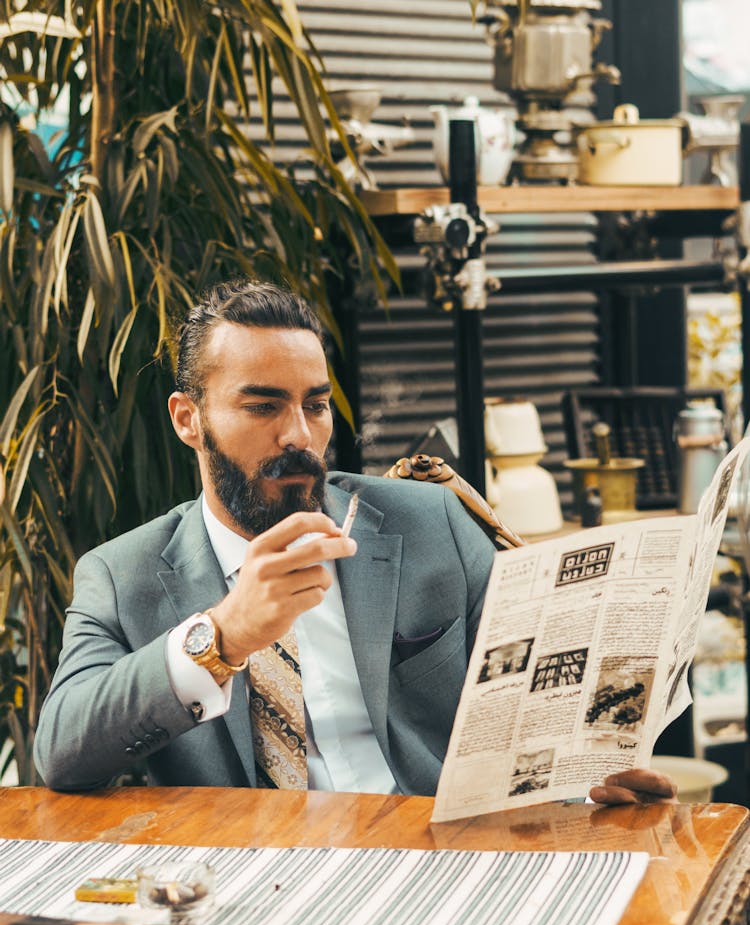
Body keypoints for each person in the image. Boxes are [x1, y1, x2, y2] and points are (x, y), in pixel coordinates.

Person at [34, 280, 675, 806]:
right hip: (251, 891)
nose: (298, 436)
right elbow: (62, 752)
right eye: (263, 407)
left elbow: (533, 704)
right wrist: (225, 635)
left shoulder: (430, 525)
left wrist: (580, 776)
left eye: (315, 406)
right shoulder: (124, 576)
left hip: (438, 859)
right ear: (189, 418)